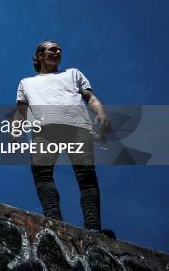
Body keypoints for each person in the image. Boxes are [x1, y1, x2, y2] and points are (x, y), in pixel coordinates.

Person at [13, 40, 113, 234]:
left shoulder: (73, 74)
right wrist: (14, 131)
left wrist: (101, 112)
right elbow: (21, 112)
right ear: (40, 55)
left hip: (77, 127)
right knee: (42, 175)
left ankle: (93, 229)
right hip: (44, 129)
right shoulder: (26, 83)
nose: (58, 51)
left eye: (59, 49)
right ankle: (55, 224)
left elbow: (90, 97)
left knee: (86, 177)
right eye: (53, 49)